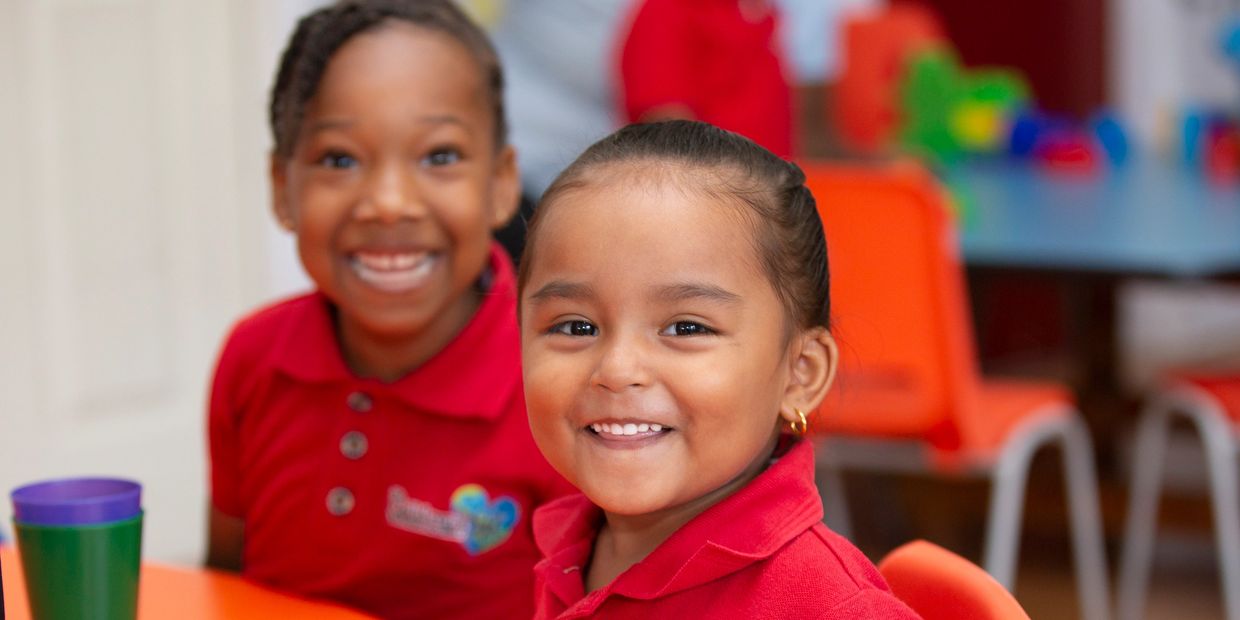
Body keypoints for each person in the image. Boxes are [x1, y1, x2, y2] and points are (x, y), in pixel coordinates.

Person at [205, 1, 570, 617]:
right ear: (281, 189)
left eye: (439, 156)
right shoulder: (253, 358)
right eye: (339, 159)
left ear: (502, 183)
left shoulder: (563, 382)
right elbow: (221, 584)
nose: (389, 203)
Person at [517, 120, 920, 618]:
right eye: (576, 327)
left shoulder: (829, 607)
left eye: (686, 328)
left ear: (800, 374)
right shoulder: (571, 545)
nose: (617, 369)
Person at [618, 0, 794, 158]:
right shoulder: (668, 8)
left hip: (768, 181)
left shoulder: (755, 12)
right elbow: (665, 120)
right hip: (717, 184)